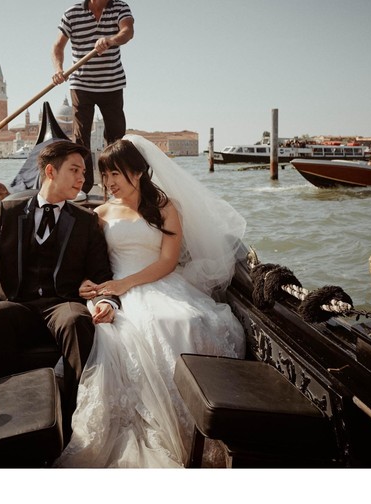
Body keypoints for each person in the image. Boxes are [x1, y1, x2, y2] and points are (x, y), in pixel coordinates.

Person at [55, 135, 247, 468]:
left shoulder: (166, 207)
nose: (110, 182)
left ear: (138, 171)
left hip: (160, 280)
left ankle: (201, 427)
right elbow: (89, 262)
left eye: (116, 173)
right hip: (117, 290)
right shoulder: (99, 214)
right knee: (151, 326)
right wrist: (95, 285)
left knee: (189, 322)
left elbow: (168, 261)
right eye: (106, 175)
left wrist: (125, 282)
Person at [0, 140, 120, 434]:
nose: (83, 178)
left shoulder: (85, 221)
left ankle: (75, 416)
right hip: (18, 304)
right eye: (75, 170)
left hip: (61, 302)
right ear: (51, 171)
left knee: (77, 321)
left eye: (84, 171)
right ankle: (5, 414)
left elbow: (102, 273)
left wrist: (109, 301)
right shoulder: (8, 210)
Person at [51, 0, 135, 193]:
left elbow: (127, 32)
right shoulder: (72, 14)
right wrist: (59, 69)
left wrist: (110, 39)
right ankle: (83, 187)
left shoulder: (120, 7)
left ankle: (114, 185)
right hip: (82, 84)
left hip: (112, 84)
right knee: (80, 139)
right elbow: (58, 46)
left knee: (116, 138)